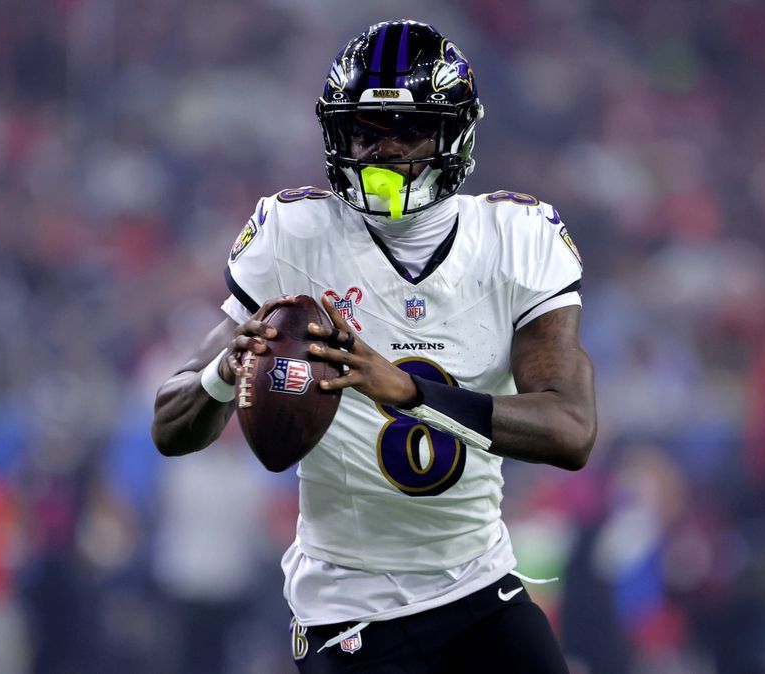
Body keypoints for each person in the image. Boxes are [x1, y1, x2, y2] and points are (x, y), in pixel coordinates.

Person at [152, 19, 596, 673]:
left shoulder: (517, 238)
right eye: (366, 130)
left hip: (480, 585)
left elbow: (570, 429)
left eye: (408, 130)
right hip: (347, 605)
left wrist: (411, 392)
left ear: (455, 134)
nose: (383, 150)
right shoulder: (296, 235)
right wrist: (226, 370)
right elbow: (170, 424)